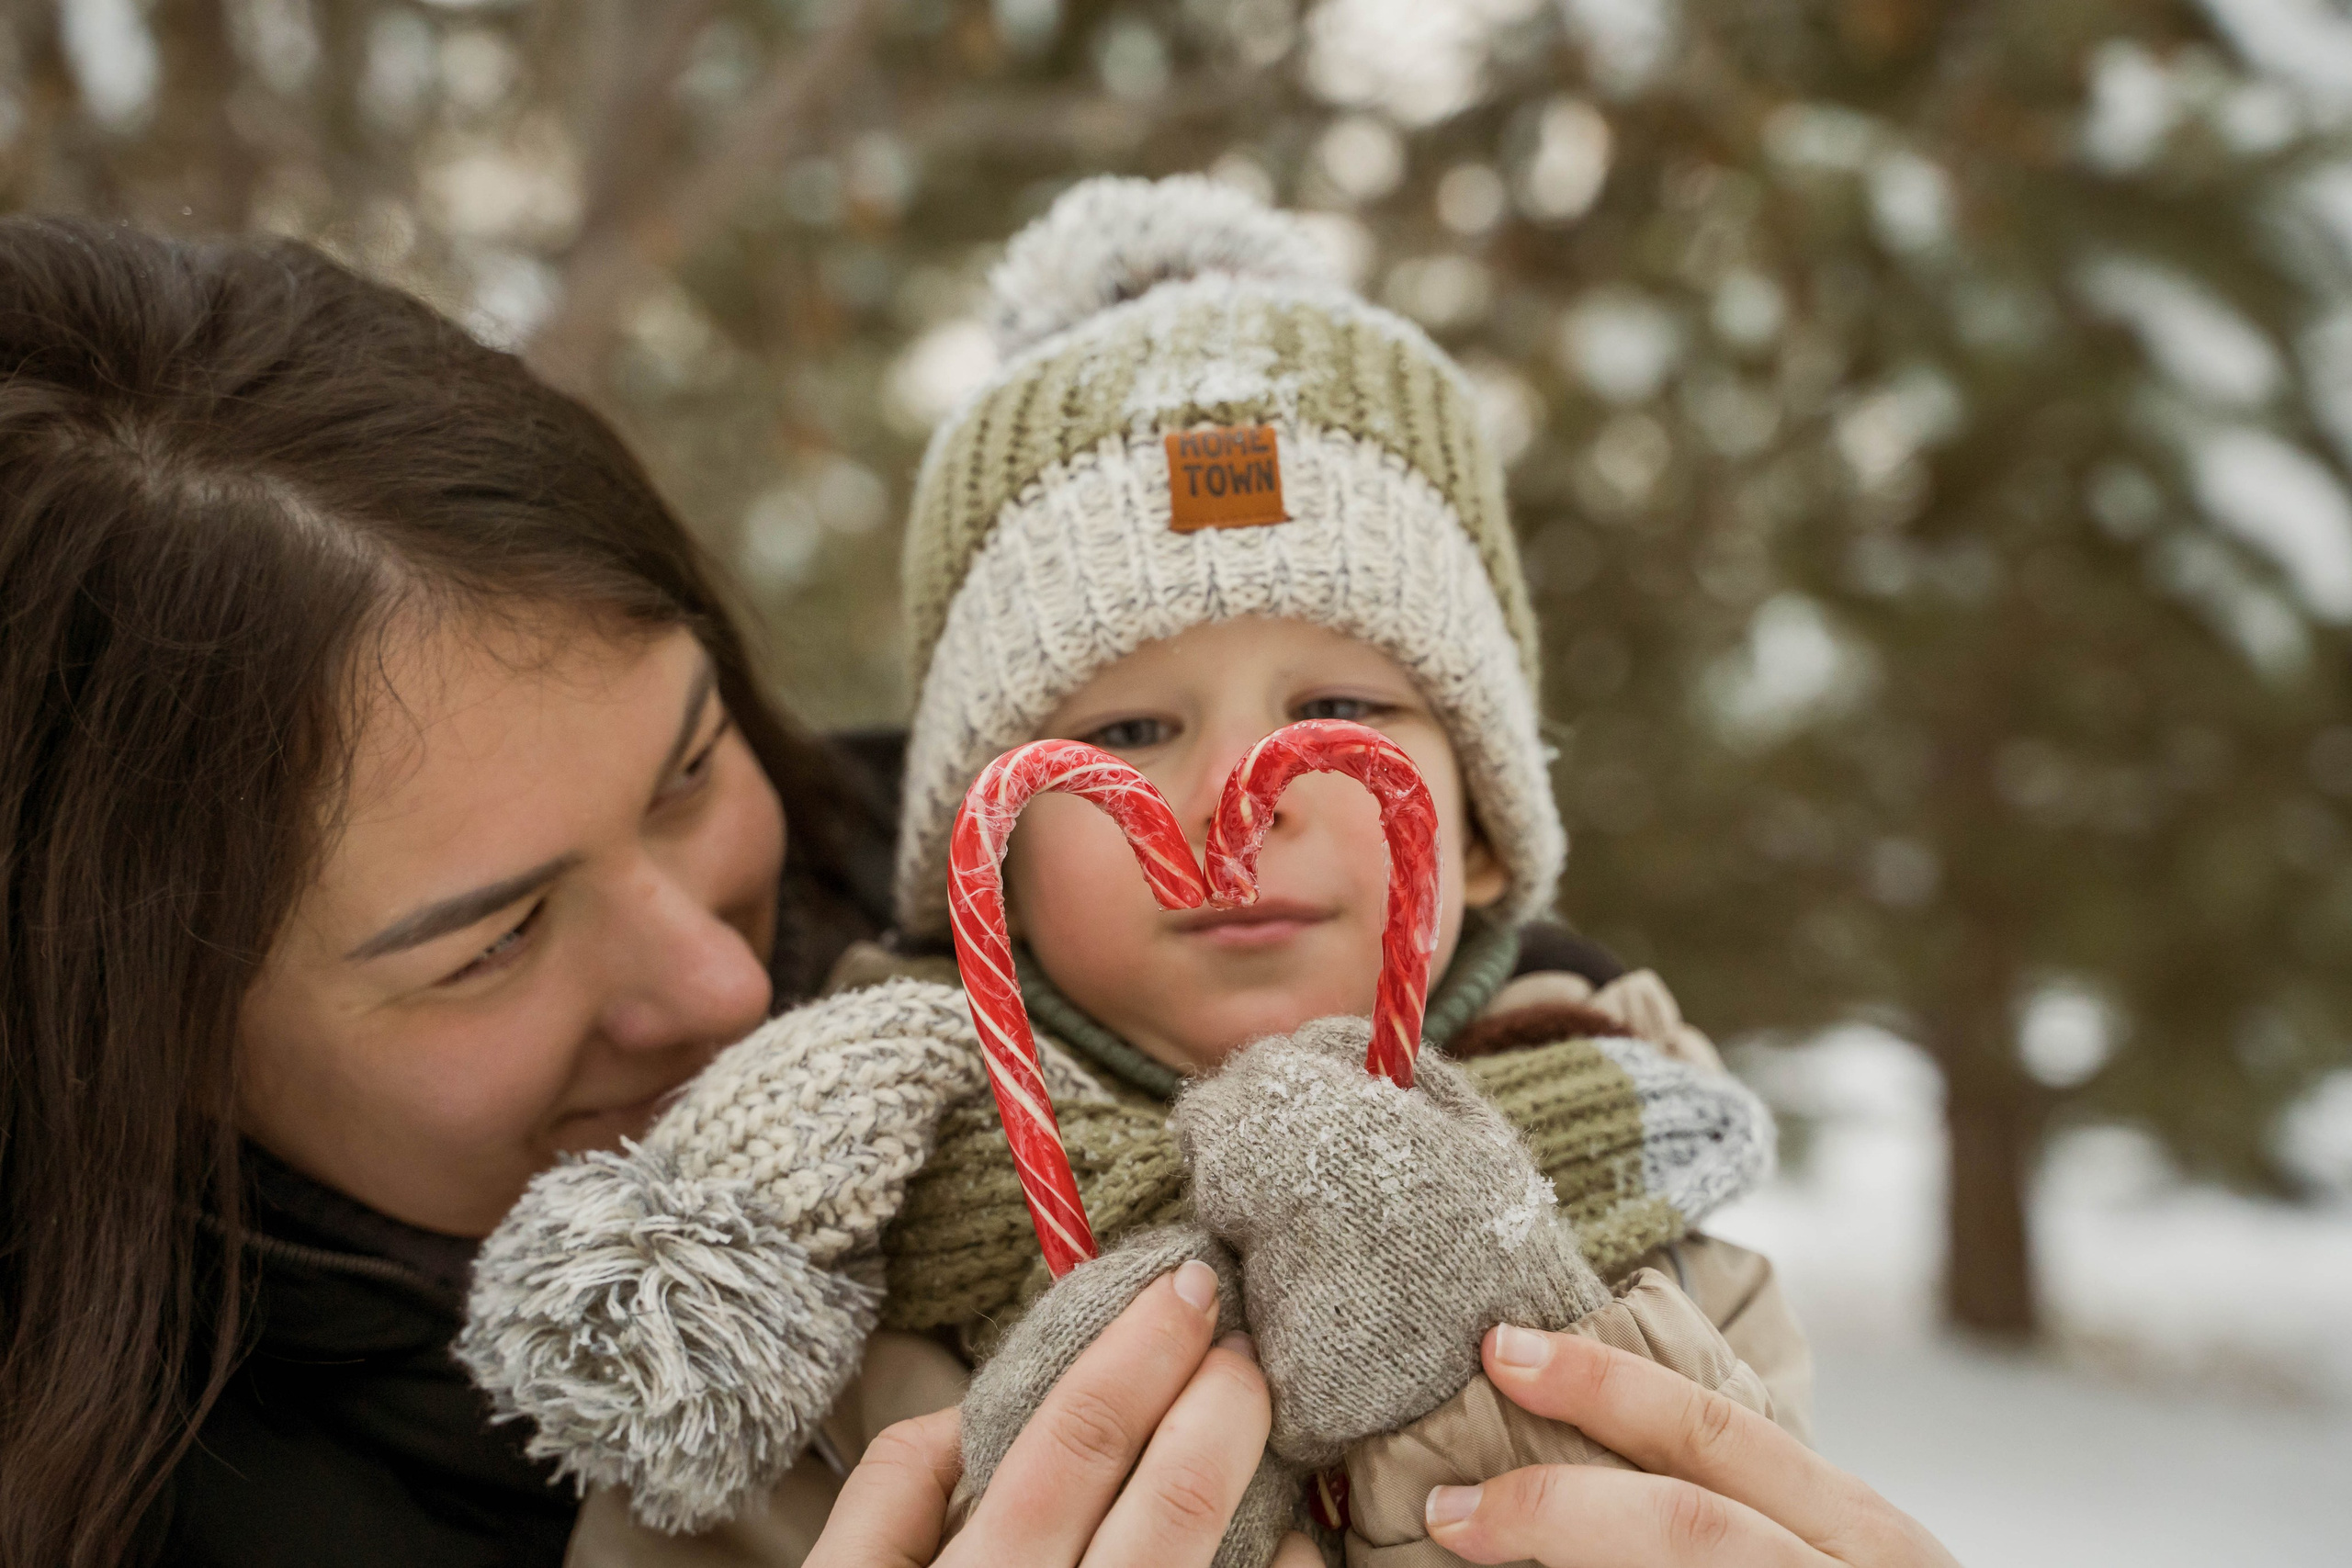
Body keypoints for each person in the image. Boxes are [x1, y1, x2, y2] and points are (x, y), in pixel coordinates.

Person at [462, 176, 1807, 1562]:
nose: (1241, 791)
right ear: (987, 861)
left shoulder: (1670, 1247)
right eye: (1126, 729)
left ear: (1477, 837)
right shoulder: (830, 1278)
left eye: (1340, 714)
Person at [0, 215, 887, 1568]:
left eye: (691, 770)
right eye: (498, 940)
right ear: (145, 1042)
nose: (725, 983)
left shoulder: (1096, 860)